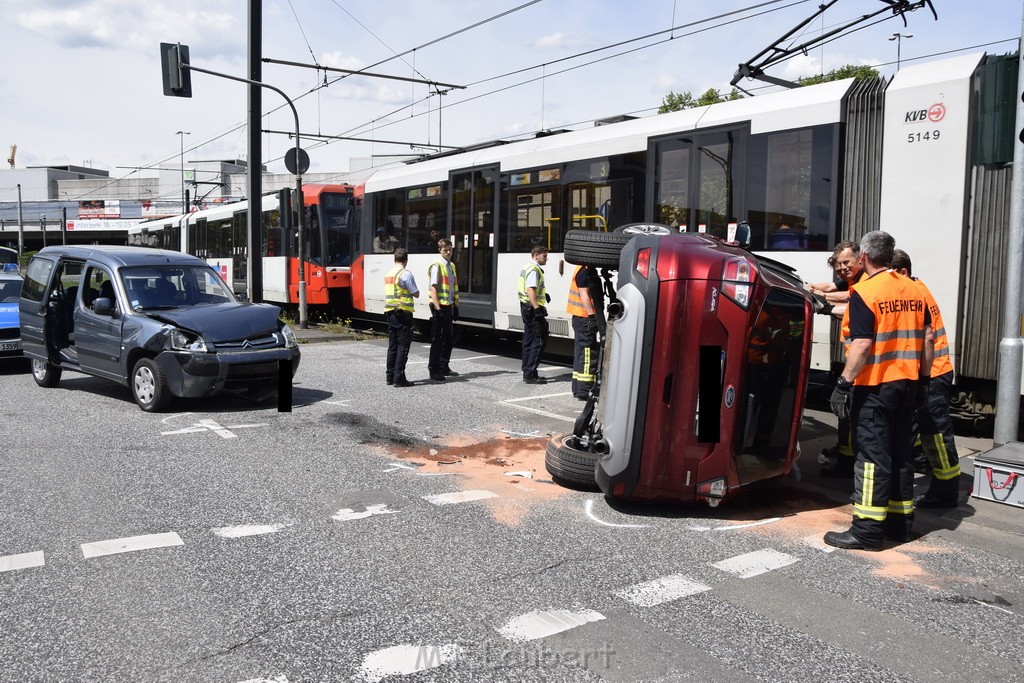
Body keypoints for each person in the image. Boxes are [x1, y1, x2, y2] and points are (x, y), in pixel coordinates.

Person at [824, 230, 933, 551]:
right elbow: (927, 340)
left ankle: (867, 531)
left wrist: (843, 384)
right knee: (901, 456)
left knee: (871, 458)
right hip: (908, 384)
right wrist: (924, 381)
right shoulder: (915, 289)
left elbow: (862, 344)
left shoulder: (866, 292)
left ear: (864, 258)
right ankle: (900, 525)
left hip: (874, 387)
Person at [890, 248, 961, 508]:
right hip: (931, 372)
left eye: (891, 274)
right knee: (926, 431)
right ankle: (937, 478)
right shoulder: (918, 288)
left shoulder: (915, 294)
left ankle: (945, 491)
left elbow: (926, 339)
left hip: (933, 373)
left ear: (903, 272)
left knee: (936, 435)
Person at [812, 242, 866, 478]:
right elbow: (837, 288)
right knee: (849, 413)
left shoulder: (865, 282)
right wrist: (815, 289)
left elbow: (851, 305)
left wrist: (824, 305)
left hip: (862, 361)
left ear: (860, 259)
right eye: (838, 265)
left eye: (846, 263)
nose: (842, 268)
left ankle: (848, 462)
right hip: (856, 357)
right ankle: (846, 457)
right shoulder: (854, 278)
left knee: (849, 412)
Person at [567, 264, 604, 400]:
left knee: (580, 354)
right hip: (584, 317)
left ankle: (578, 389)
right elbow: (584, 294)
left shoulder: (580, 267)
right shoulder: (585, 270)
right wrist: (592, 317)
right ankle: (585, 391)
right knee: (588, 354)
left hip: (579, 317)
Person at [383, 248, 419, 388]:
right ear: (406, 260)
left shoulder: (389, 274)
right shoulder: (405, 274)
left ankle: (390, 376)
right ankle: (399, 378)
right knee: (402, 346)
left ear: (394, 259)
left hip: (390, 313)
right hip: (403, 314)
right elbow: (415, 293)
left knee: (392, 346)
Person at [427, 238, 459, 381]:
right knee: (438, 339)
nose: (448, 252)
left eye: (450, 249)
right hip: (439, 306)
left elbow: (452, 288)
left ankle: (443, 366)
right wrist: (438, 309)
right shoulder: (437, 265)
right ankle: (434, 369)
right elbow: (433, 288)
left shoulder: (451, 265)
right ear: (439, 250)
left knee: (449, 339)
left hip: (448, 305)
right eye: (445, 249)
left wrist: (455, 305)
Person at [518, 245, 549, 384]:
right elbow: (530, 289)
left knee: (528, 341)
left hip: (525, 308)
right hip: (532, 309)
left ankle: (527, 371)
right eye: (544, 255)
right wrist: (537, 308)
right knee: (539, 341)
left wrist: (543, 295)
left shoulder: (527, 267)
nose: (546, 258)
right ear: (536, 255)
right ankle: (530, 374)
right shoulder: (534, 270)